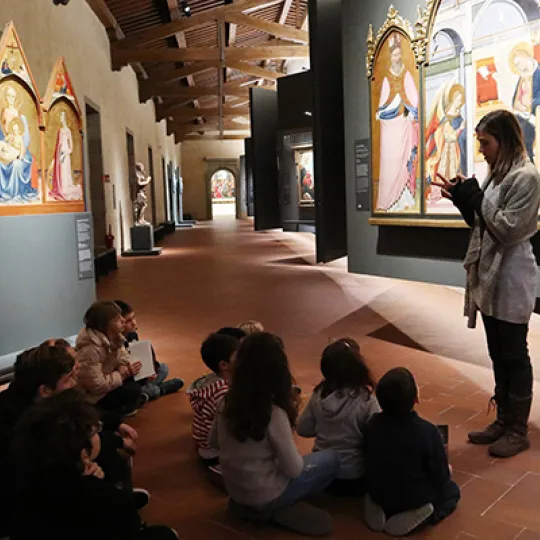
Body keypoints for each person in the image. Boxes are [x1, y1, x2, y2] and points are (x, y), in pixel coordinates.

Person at [433, 109, 540, 458]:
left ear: (505, 140)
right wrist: (463, 200)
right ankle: (503, 419)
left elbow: (508, 231)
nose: (481, 149)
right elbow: (484, 225)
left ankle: (518, 429)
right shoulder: (498, 174)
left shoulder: (526, 177)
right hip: (492, 274)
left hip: (511, 275)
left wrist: (475, 198)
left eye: (485, 142)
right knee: (497, 351)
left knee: (513, 352)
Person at [0, 342, 144, 537]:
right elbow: (34, 480)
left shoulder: (33, 403)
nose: (74, 383)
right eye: (68, 379)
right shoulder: (24, 426)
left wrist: (114, 424)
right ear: (45, 391)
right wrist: (83, 477)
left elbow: (78, 415)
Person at [211, 333, 340, 536]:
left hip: (235, 491)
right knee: (332, 459)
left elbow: (213, 442)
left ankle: (252, 508)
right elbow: (294, 469)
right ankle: (271, 509)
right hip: (268, 492)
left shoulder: (225, 403)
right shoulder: (273, 413)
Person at [9, 390, 178, 540]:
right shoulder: (106, 499)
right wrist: (99, 485)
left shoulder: (21, 476)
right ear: (83, 454)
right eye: (96, 432)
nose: (99, 434)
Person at [363, 368, 460, 537]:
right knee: (452, 490)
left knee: (382, 485)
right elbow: (440, 476)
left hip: (380, 489)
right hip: (413, 496)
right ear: (416, 398)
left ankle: (378, 506)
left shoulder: (371, 424)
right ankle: (425, 513)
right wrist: (447, 473)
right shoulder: (428, 431)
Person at [297, 338, 380, 496]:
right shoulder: (365, 398)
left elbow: (303, 428)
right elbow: (376, 434)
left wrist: (325, 427)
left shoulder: (318, 395)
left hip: (322, 476)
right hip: (355, 477)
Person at [375, 31, 419, 212]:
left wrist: (408, 111)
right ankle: (388, 200)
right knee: (388, 163)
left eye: (399, 54)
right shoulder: (386, 78)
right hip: (389, 127)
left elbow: (413, 98)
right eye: (393, 54)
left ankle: (403, 198)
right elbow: (382, 103)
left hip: (403, 123)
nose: (396, 57)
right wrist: (382, 112)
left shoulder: (406, 74)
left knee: (402, 162)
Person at [76, 301, 144, 416]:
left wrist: (122, 365)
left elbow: (123, 353)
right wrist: (122, 374)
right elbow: (97, 385)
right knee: (133, 390)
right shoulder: (90, 350)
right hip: (94, 397)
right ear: (105, 325)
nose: (123, 320)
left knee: (142, 376)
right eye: (117, 319)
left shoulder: (115, 335)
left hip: (111, 379)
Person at [187, 332, 241, 466]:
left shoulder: (214, 381)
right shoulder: (222, 393)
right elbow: (234, 426)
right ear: (224, 365)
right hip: (214, 451)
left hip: (206, 445)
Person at [115, 300, 184, 401]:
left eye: (133, 318)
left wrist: (149, 371)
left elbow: (138, 358)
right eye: (128, 321)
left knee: (163, 368)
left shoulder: (132, 335)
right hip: (127, 381)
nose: (134, 323)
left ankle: (148, 390)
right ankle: (159, 390)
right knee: (150, 391)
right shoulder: (115, 344)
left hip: (139, 377)